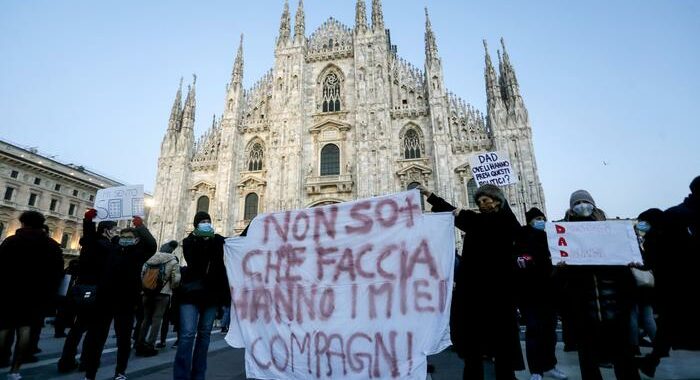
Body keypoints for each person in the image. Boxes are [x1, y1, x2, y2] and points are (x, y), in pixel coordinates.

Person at [418, 184, 523, 380]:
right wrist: (430, 195)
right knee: (473, 348)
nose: (483, 204)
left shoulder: (507, 223)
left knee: (502, 346)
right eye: (480, 202)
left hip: (500, 293)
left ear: (498, 201)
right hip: (474, 292)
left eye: (487, 200)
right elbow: (449, 210)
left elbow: (513, 232)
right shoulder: (474, 221)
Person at [558, 190, 639, 380]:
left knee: (624, 360)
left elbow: (626, 276)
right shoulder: (563, 235)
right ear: (572, 207)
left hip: (614, 306)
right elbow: (559, 281)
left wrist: (631, 262)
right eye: (577, 203)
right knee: (588, 361)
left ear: (593, 204)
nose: (582, 206)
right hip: (584, 308)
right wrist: (560, 268)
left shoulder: (611, 231)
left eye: (586, 202)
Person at [80, 211, 156, 380]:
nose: (125, 239)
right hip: (104, 299)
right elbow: (91, 239)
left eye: (129, 237)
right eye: (123, 236)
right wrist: (88, 220)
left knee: (123, 339)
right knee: (97, 338)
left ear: (136, 241)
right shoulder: (110, 249)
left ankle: (120, 371)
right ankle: (90, 373)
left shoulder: (139, 255)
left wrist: (140, 226)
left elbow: (151, 245)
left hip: (127, 301)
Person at [637, 176, 700, 376]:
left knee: (669, 322)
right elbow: (656, 247)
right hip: (681, 281)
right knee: (671, 322)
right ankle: (653, 359)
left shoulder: (676, 213)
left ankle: (653, 360)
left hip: (675, 282)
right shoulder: (681, 215)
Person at [0, 211, 64, 380]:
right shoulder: (52, 246)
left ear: (23, 223)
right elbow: (58, 274)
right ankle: (15, 370)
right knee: (25, 330)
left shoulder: (11, 241)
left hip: (9, 292)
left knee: (4, 329)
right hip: (36, 296)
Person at [173, 212, 230, 380]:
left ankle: (199, 375)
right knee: (187, 334)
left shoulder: (218, 240)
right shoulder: (189, 241)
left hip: (211, 294)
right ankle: (181, 376)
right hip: (191, 294)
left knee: (205, 334)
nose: (206, 223)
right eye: (203, 221)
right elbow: (194, 263)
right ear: (196, 224)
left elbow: (236, 244)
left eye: (208, 221)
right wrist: (203, 240)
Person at [58, 213, 117, 373]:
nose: (116, 232)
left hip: (84, 291)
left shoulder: (90, 244)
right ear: (107, 230)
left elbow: (90, 234)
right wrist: (88, 221)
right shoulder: (105, 246)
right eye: (114, 230)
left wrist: (88, 220)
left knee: (78, 327)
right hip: (100, 293)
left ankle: (66, 361)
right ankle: (87, 361)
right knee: (96, 331)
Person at [514, 208, 567, 380]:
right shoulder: (520, 238)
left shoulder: (550, 237)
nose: (541, 221)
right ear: (529, 220)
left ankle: (550, 366)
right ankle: (536, 371)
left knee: (550, 332)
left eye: (542, 218)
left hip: (549, 292)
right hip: (529, 294)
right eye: (537, 218)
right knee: (534, 331)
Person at [135, 240, 181, 357]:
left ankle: (139, 343)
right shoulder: (172, 260)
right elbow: (176, 279)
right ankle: (150, 344)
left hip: (147, 292)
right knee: (157, 319)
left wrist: (147, 286)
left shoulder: (152, 257)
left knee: (146, 319)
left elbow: (142, 273)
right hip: (163, 294)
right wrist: (171, 287)